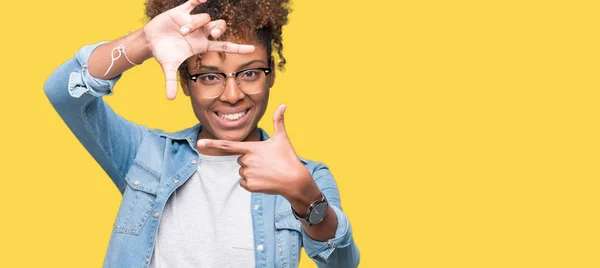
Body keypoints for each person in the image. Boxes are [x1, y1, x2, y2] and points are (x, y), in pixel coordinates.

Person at [44, 0, 359, 267]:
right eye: (209, 76)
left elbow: (343, 261)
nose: (232, 94)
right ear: (186, 83)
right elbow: (63, 92)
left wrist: (306, 198)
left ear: (271, 73)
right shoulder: (146, 155)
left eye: (250, 73)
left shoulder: (306, 176)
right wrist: (143, 41)